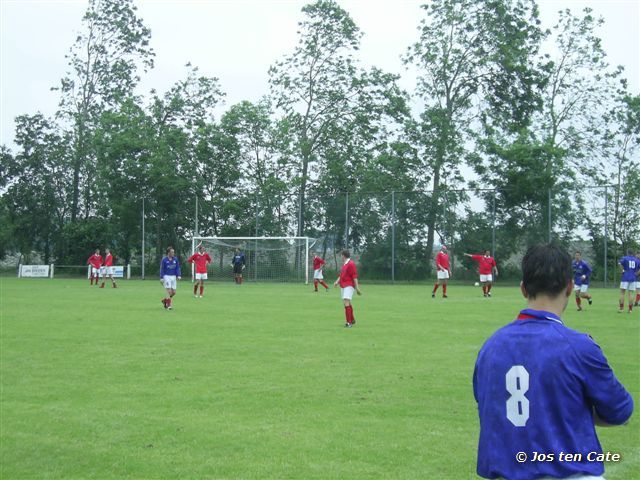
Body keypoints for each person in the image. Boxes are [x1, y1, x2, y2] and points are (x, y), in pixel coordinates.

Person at [473, 244, 633, 480]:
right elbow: (620, 411)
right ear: (569, 287)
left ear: (523, 289)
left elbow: (488, 407)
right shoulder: (579, 347)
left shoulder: (490, 346)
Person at [333, 249, 361, 328]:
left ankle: (349, 323)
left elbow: (354, 276)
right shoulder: (345, 264)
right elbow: (341, 274)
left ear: (343, 255)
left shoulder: (351, 264)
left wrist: (357, 288)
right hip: (343, 285)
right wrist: (337, 282)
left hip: (349, 285)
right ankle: (352, 319)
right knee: (347, 302)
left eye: (341, 255)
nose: (341, 257)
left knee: (346, 302)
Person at [618, 248, 638, 313]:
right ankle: (630, 310)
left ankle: (621, 309)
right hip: (633, 277)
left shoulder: (625, 258)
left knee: (622, 293)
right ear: (633, 253)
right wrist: (637, 274)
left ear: (627, 252)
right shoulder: (636, 260)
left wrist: (622, 270)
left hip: (625, 277)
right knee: (631, 293)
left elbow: (619, 263)